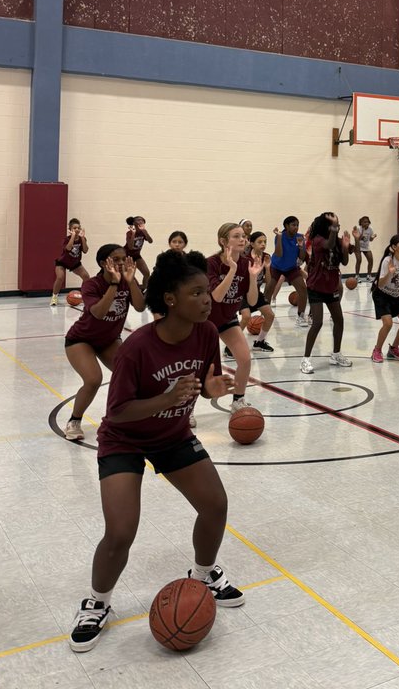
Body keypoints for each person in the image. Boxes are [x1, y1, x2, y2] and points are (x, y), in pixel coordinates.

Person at [68, 250, 242, 653]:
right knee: (120, 532)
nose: (207, 300)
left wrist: (216, 388)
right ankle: (98, 602)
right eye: (197, 293)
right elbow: (119, 413)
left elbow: (209, 380)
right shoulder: (137, 348)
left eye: (206, 292)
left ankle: (203, 574)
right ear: (170, 300)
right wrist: (165, 399)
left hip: (172, 436)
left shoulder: (204, 333)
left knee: (215, 504)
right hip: (124, 440)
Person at [64, 245, 147, 442]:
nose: (120, 263)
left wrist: (130, 281)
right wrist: (114, 285)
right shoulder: (91, 285)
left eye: (123, 259)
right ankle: (74, 421)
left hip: (109, 340)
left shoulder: (128, 280)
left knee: (132, 375)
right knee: (93, 380)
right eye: (115, 259)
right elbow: (99, 313)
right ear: (103, 263)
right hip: (81, 339)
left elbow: (140, 306)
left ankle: (122, 418)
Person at [206, 223, 259, 411]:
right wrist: (232, 270)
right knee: (201, 370)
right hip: (205, 322)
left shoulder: (248, 263)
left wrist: (252, 277)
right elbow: (217, 296)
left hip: (227, 319)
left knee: (245, 360)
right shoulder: (211, 263)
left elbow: (252, 301)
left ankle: (238, 400)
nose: (242, 239)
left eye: (243, 236)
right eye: (236, 236)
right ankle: (186, 411)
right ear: (223, 241)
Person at [301, 213, 352, 374]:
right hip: (316, 286)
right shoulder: (318, 240)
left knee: (339, 320)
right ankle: (305, 359)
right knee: (317, 323)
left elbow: (344, 261)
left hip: (331, 286)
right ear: (326, 226)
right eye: (332, 223)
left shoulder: (336, 240)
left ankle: (336, 354)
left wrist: (347, 245)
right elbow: (328, 245)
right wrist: (335, 230)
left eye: (337, 223)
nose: (336, 225)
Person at [371, 234, 399, 362]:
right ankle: (377, 350)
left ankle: (393, 349)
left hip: (395, 295)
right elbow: (380, 283)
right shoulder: (388, 260)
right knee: (388, 323)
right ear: (394, 247)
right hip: (381, 294)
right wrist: (390, 273)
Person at [268, 216, 309, 326]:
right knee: (269, 288)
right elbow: (279, 254)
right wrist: (280, 238)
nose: (296, 227)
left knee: (303, 289)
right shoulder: (280, 236)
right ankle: (265, 315)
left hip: (291, 268)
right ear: (286, 226)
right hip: (277, 266)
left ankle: (300, 317)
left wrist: (301, 247)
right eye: (293, 225)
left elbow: (302, 257)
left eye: (297, 225)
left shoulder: (300, 237)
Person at [242, 231, 276, 353]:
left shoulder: (266, 256)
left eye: (265, 242)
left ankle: (259, 342)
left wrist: (267, 268)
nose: (263, 244)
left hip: (256, 291)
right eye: (260, 242)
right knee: (246, 317)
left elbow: (268, 281)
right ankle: (231, 346)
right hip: (243, 292)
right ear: (252, 243)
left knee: (270, 315)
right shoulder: (246, 259)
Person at [51, 218, 90, 305]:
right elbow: (68, 248)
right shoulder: (67, 239)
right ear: (70, 230)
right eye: (74, 228)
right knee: (60, 277)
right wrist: (73, 237)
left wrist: (83, 238)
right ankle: (54, 297)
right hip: (63, 262)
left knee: (86, 276)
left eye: (78, 228)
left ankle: (84, 296)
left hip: (75, 263)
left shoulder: (82, 239)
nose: (77, 230)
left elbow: (85, 250)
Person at [124, 216, 154, 285]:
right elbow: (131, 247)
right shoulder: (129, 233)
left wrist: (145, 232)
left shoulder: (143, 232)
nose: (141, 221)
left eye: (142, 220)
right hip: (127, 255)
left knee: (146, 273)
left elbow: (150, 241)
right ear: (134, 223)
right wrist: (133, 234)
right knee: (129, 275)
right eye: (138, 220)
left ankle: (144, 289)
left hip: (136, 255)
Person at [353, 217, 377, 282]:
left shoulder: (370, 229)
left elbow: (370, 240)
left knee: (371, 260)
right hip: (358, 246)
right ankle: (357, 276)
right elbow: (358, 238)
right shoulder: (358, 228)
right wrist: (362, 232)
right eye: (364, 222)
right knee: (359, 260)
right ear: (361, 223)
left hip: (366, 247)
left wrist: (373, 236)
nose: (366, 223)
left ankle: (369, 276)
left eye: (367, 222)